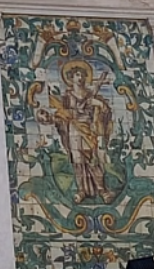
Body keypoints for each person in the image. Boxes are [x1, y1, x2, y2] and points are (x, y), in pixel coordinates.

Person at [37, 60, 114, 201]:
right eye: (77, 75)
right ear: (70, 78)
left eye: (83, 75)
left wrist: (100, 105)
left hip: (87, 129)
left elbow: (99, 111)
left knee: (92, 158)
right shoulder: (67, 97)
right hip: (73, 131)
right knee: (77, 161)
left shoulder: (90, 94)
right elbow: (62, 114)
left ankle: (102, 190)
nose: (81, 78)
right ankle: (81, 190)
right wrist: (50, 118)